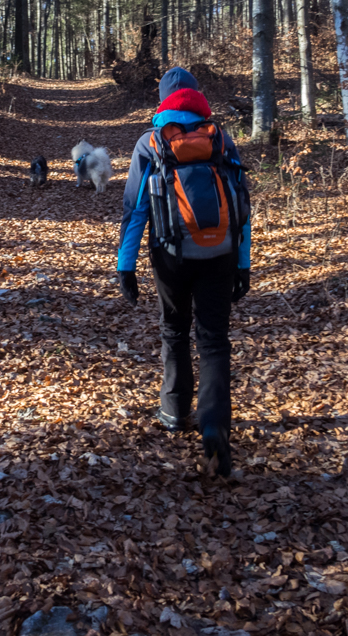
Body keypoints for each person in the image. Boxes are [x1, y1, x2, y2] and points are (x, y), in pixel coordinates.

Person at [116, 67, 251, 478]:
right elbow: (243, 209)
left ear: (163, 100)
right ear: (197, 96)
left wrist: (126, 265)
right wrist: (242, 263)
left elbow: (135, 209)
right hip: (221, 255)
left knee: (174, 330)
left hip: (170, 254)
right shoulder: (221, 138)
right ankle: (214, 424)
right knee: (214, 339)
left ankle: (175, 411)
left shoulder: (151, 141)